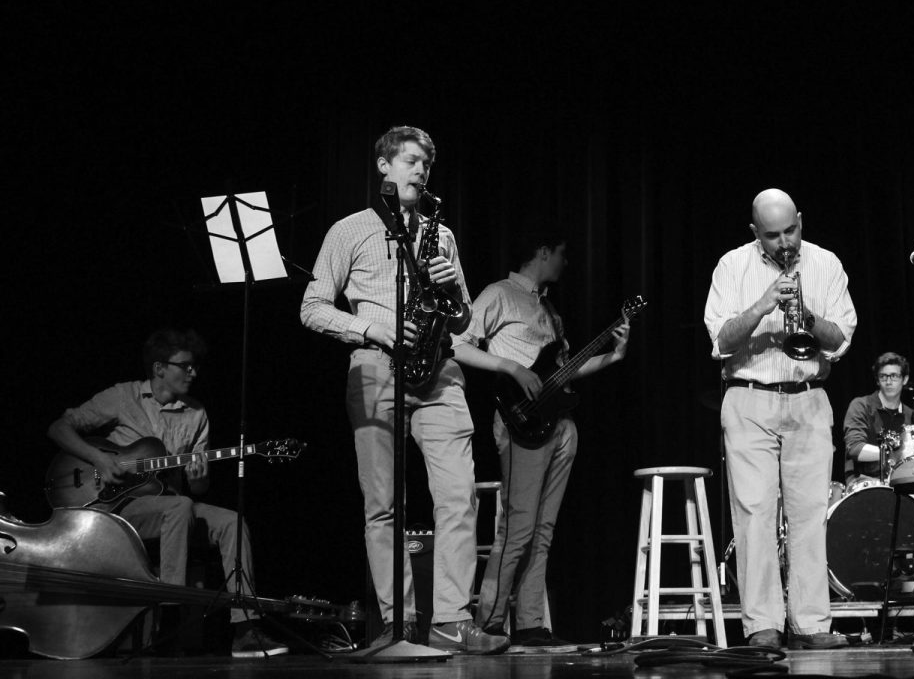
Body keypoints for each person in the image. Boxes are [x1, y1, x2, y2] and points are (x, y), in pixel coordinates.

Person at [299, 125, 508, 655]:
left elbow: (462, 319)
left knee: (459, 497)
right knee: (384, 506)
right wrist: (371, 327)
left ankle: (452, 621)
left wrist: (449, 286)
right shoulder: (349, 231)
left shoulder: (442, 236)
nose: (420, 171)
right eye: (411, 161)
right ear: (384, 166)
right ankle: (399, 624)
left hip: (440, 374)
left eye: (426, 165)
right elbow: (312, 306)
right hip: (375, 368)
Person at [46, 328, 288, 658]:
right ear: (160, 368)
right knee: (180, 506)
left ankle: (245, 630)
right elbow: (58, 428)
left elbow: (198, 487)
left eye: (196, 366)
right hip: (118, 509)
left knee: (232, 520)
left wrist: (198, 477)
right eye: (185, 365)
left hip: (173, 505)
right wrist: (100, 459)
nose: (194, 372)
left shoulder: (197, 413)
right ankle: (171, 613)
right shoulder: (122, 396)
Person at [451, 227, 632, 649]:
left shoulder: (550, 311)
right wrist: (511, 368)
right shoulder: (498, 294)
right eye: (561, 254)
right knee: (517, 528)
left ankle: (531, 622)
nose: (565, 263)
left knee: (543, 529)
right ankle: (490, 622)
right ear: (542, 252)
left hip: (559, 426)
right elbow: (458, 345)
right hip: (520, 424)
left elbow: (562, 372)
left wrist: (614, 355)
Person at [703, 188, 856, 650]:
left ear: (801, 221)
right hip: (749, 399)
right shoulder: (732, 266)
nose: (784, 242)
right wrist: (764, 304)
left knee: (810, 515)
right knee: (754, 516)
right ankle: (762, 627)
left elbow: (842, 338)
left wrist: (806, 315)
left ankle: (811, 625)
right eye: (772, 235)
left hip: (809, 398)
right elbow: (721, 339)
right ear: (755, 233)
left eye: (791, 230)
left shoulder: (825, 263)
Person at [843, 352, 914, 488]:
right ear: (877, 380)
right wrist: (893, 455)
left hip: (900, 482)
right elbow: (854, 448)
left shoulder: (910, 415)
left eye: (894, 376)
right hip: (864, 482)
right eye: (883, 376)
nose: (888, 382)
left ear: (904, 379)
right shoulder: (861, 406)